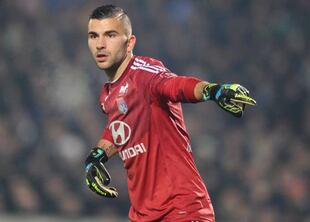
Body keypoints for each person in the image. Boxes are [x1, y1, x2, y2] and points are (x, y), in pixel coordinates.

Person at [84, 4, 256, 222]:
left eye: (110, 35)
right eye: (93, 36)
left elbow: (175, 85)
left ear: (130, 43)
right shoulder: (108, 95)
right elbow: (120, 126)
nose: (100, 44)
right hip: (143, 215)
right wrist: (97, 156)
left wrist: (213, 90)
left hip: (181, 210)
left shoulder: (144, 73)